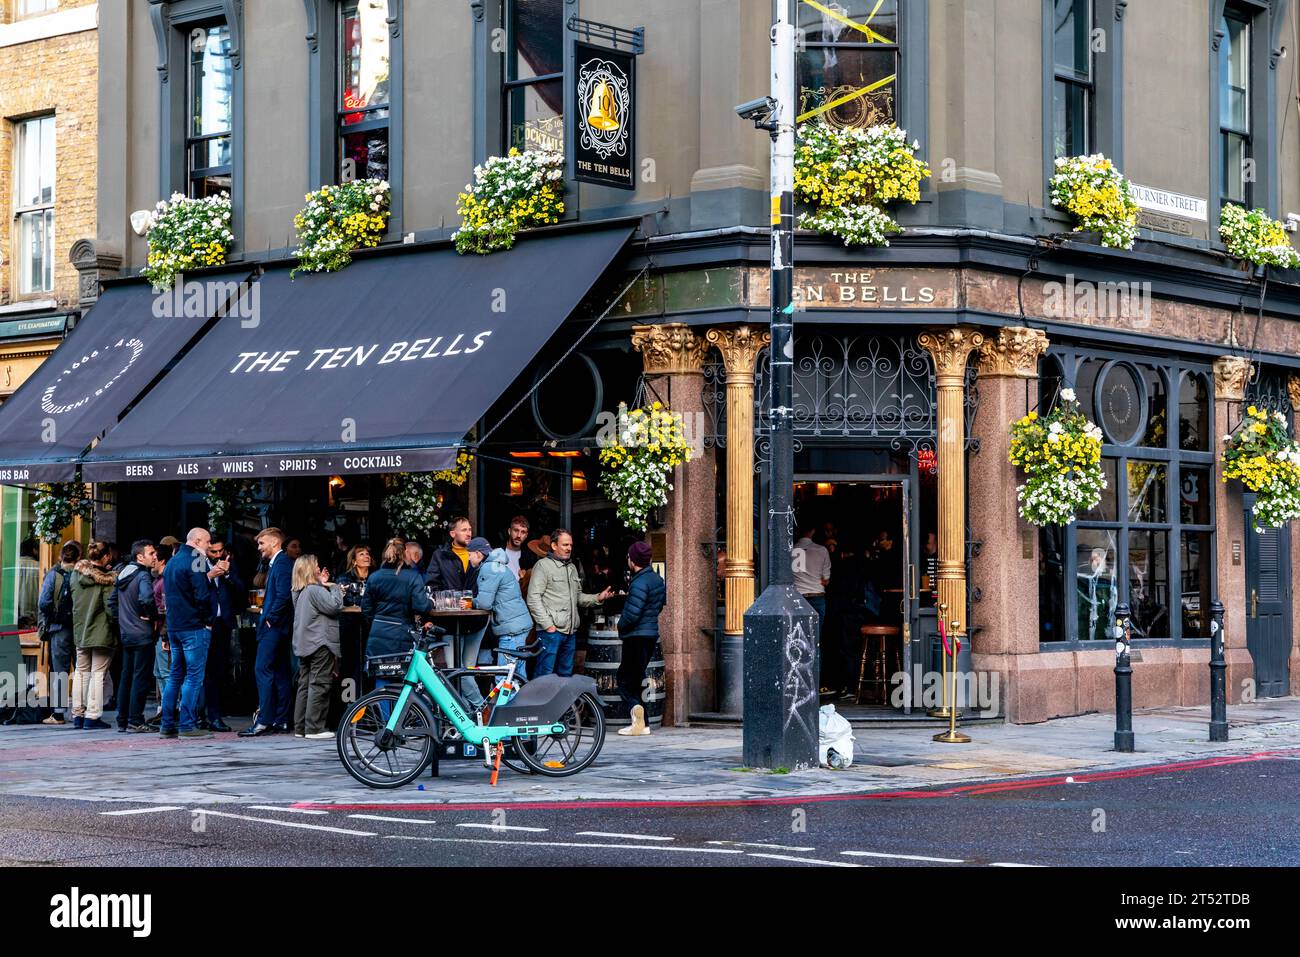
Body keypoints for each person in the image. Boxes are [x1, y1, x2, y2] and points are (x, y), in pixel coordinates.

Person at [525, 528, 613, 678]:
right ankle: (540, 702)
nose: (569, 548)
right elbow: (533, 599)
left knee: (565, 675)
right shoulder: (543, 566)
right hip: (551, 633)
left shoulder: (571, 568)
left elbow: (577, 597)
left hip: (570, 633)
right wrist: (548, 625)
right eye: (565, 545)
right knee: (544, 675)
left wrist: (597, 598)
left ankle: (560, 703)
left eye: (570, 545)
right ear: (554, 546)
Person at [161, 528, 219, 739]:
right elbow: (202, 595)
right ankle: (187, 724)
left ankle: (167, 724)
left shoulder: (173, 561)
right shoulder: (197, 559)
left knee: (176, 675)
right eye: (207, 542)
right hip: (193, 626)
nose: (209, 546)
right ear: (197, 540)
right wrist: (207, 621)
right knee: (193, 677)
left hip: (176, 626)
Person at [240, 527, 294, 737]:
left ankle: (264, 720)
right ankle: (280, 720)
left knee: (262, 670)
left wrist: (270, 618)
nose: (259, 547)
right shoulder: (281, 563)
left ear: (274, 543)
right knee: (280, 672)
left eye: (262, 543)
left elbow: (283, 595)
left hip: (274, 627)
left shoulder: (280, 564)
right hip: (279, 626)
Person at [615, 541, 665, 736]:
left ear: (632, 560)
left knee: (624, 679)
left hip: (636, 636)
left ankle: (636, 708)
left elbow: (632, 614)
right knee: (638, 676)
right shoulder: (656, 579)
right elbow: (658, 606)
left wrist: (620, 624)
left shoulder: (639, 582)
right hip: (650, 633)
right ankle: (643, 724)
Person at [291, 555, 344, 739]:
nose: (318, 568)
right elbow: (335, 606)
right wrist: (335, 587)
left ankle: (300, 727)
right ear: (309, 569)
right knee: (320, 684)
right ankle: (314, 728)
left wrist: (322, 584)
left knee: (304, 685)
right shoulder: (315, 590)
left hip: (304, 643)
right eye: (316, 565)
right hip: (320, 642)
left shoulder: (298, 590)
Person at [69, 541, 119, 730]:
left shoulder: (76, 575)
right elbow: (110, 608)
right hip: (101, 631)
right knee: (98, 674)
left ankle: (78, 714)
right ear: (105, 557)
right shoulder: (108, 580)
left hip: (80, 629)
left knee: (81, 672)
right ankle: (92, 715)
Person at [361, 537, 432, 665]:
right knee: (402, 676)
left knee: (380, 671)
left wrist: (377, 621)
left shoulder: (374, 577)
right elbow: (420, 606)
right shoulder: (413, 576)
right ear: (405, 554)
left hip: (378, 631)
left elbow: (366, 608)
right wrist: (431, 602)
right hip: (401, 632)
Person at [113, 540, 160, 733]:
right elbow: (147, 598)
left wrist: (122, 620)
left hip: (126, 632)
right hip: (142, 632)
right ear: (140, 557)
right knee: (140, 677)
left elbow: (112, 602)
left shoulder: (123, 573)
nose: (155, 556)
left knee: (126, 676)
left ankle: (123, 718)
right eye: (151, 553)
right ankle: (135, 719)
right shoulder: (142, 576)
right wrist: (153, 616)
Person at [473, 539, 535, 674]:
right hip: (518, 624)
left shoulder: (489, 568)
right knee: (517, 674)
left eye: (469, 554)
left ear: (477, 554)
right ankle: (523, 696)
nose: (468, 559)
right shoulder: (497, 565)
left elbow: (484, 603)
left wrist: (471, 602)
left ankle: (514, 696)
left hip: (510, 628)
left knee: (504, 675)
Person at [202, 539, 244, 732]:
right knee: (202, 672)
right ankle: (200, 714)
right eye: (213, 552)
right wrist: (210, 576)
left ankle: (215, 715)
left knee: (219, 671)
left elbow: (240, 590)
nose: (218, 555)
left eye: (220, 551)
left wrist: (227, 575)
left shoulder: (230, 565)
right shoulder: (199, 564)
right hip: (205, 623)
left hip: (223, 623)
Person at [37, 541, 81, 725]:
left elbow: (43, 602)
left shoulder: (53, 575)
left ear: (61, 556)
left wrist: (52, 617)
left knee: (60, 671)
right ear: (78, 557)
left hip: (58, 629)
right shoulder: (81, 575)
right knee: (81, 670)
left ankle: (59, 714)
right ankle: (82, 710)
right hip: (79, 628)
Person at [792, 523, 832, 633]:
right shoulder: (821, 550)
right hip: (817, 596)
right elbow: (826, 580)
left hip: (797, 597)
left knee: (799, 635)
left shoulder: (790, 550)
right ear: (813, 531)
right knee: (816, 635)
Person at [425, 516, 479, 594]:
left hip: (475, 605)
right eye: (464, 530)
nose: (468, 534)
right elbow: (432, 584)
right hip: (450, 605)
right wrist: (442, 601)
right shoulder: (440, 555)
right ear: (453, 534)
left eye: (470, 530)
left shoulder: (478, 552)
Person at [502, 516, 536, 581]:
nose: (519, 536)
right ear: (509, 531)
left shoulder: (529, 558)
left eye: (523, 532)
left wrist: (526, 577)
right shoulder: (497, 552)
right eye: (516, 530)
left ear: (526, 535)